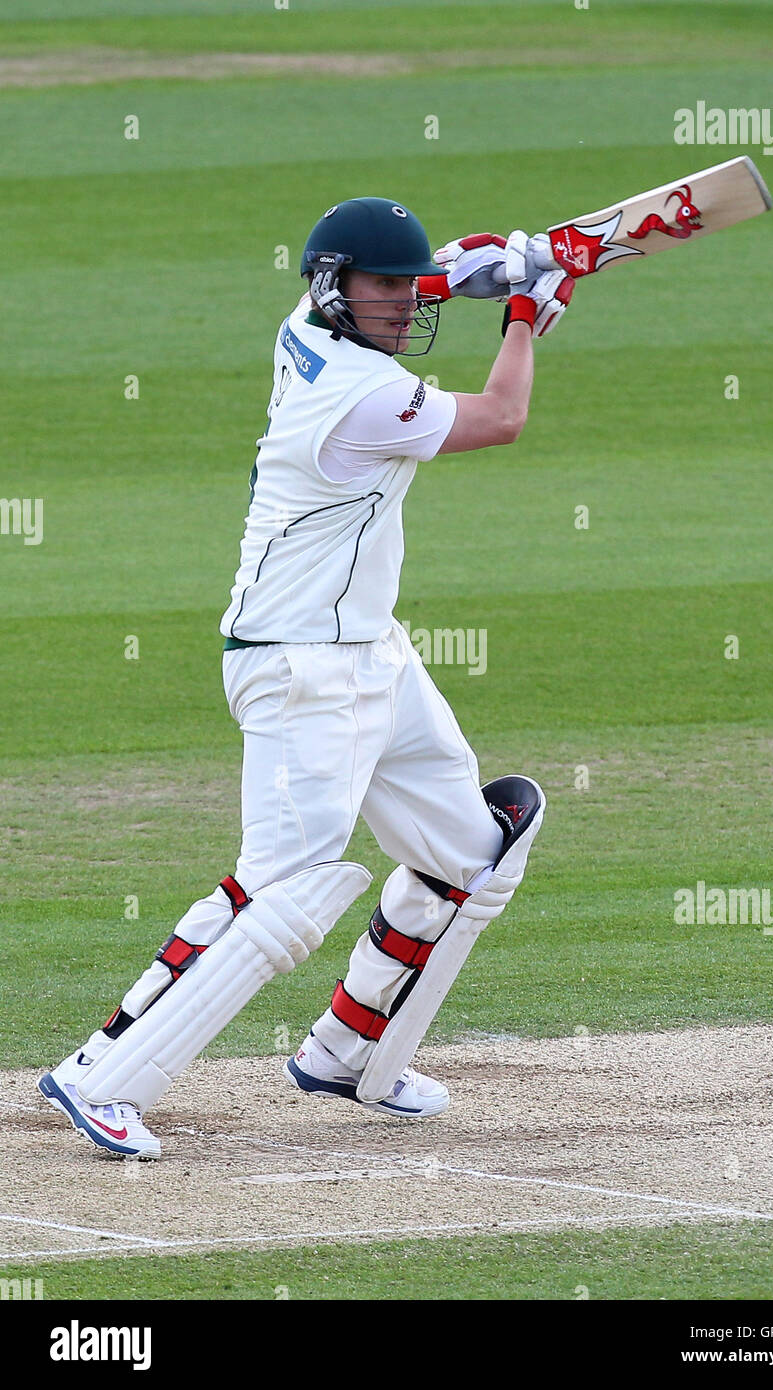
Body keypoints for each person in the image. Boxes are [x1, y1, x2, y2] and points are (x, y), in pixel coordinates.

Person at [37, 198, 573, 1159]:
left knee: (472, 854)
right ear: (335, 291)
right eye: (385, 289)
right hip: (297, 667)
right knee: (282, 887)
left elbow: (405, 277)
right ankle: (103, 1076)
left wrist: (497, 264)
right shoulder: (360, 395)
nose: (405, 306)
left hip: (373, 651)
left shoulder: (305, 329)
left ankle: (350, 1051)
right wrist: (530, 308)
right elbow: (503, 416)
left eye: (413, 289)